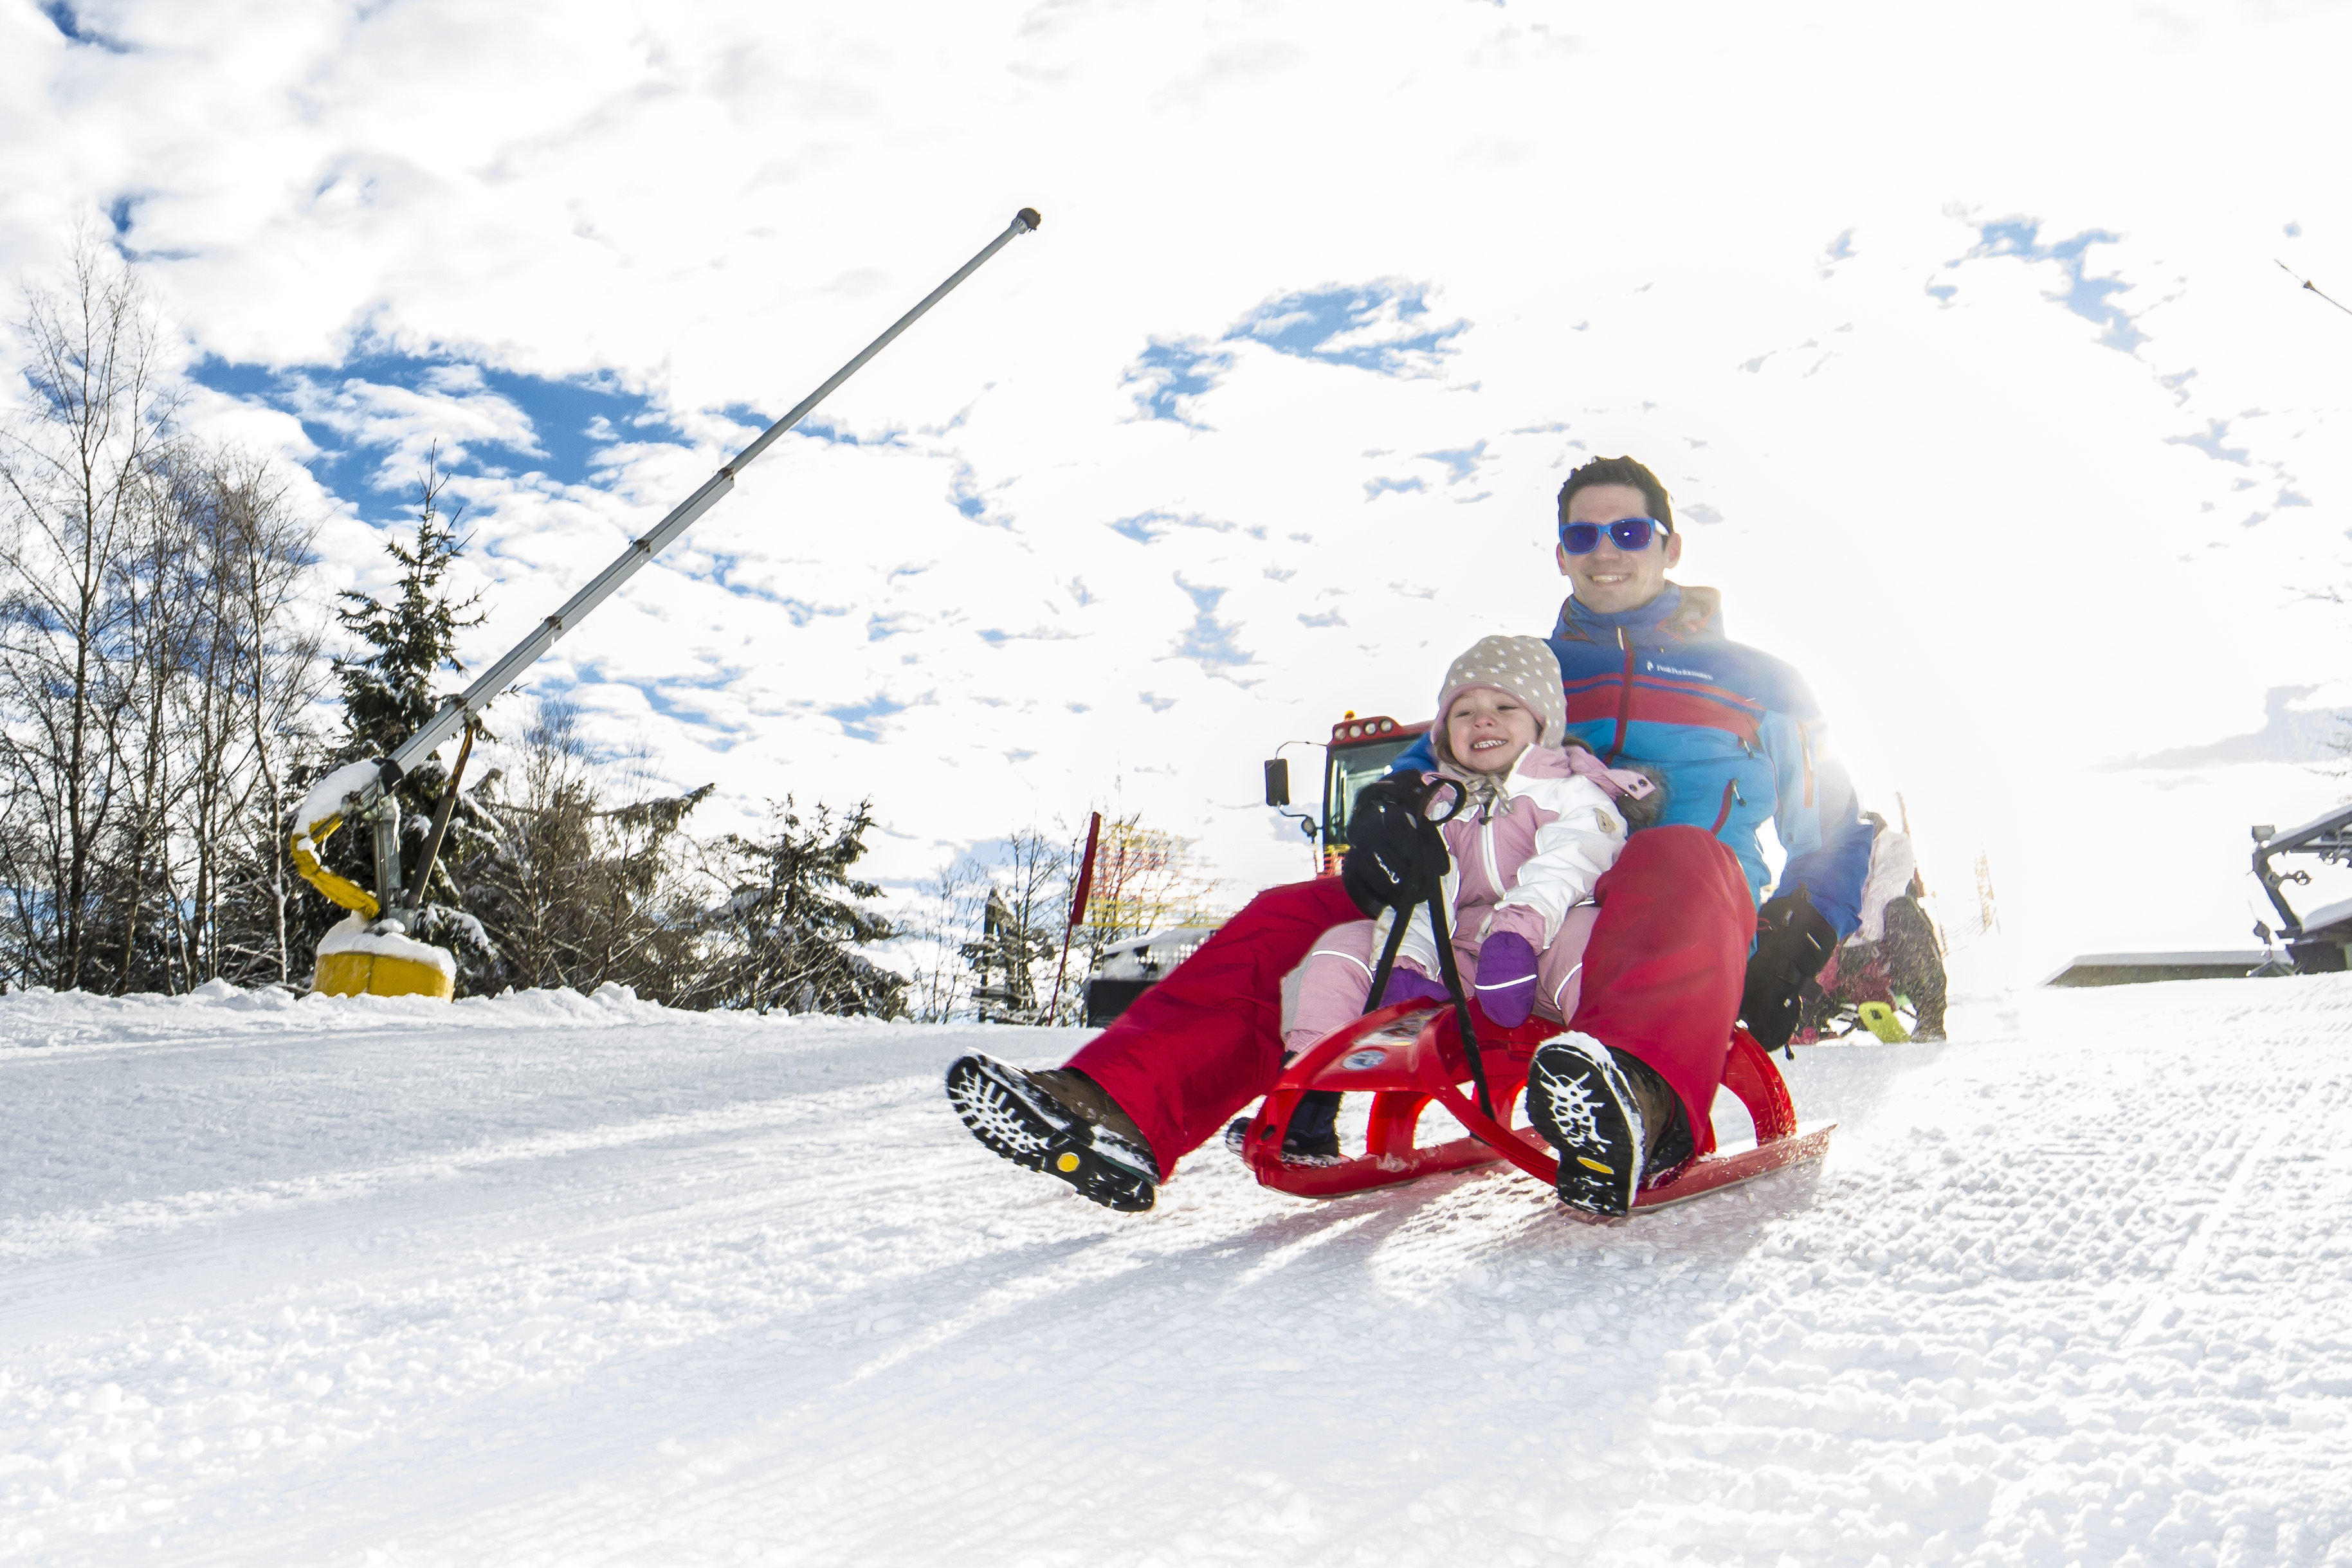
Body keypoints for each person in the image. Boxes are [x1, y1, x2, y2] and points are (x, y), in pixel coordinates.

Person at [943, 453, 1872, 1217]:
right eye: (1585, 535)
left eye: (1629, 532)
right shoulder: (1527, 674)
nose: (1607, 551)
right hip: (1499, 905)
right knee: (1297, 913)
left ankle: (1633, 1101)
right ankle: (1116, 1107)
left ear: (1668, 545)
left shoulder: (1759, 681)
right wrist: (1387, 813)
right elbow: (1427, 772)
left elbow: (1832, 820)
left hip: (1671, 911)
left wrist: (1803, 931)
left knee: (1675, 851)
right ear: (1561, 554)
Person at [1253, 634, 1657, 1163]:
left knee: (1595, 944)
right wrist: (1408, 963)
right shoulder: (1437, 806)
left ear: (1542, 724)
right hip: (1461, 960)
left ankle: (1615, 1089)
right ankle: (1305, 1106)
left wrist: (1516, 932)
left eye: (1504, 707)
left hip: (1549, 941)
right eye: (1463, 713)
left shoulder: (1571, 791)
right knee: (1342, 947)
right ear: (1445, 736)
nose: (1482, 720)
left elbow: (1572, 860)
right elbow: (1422, 897)